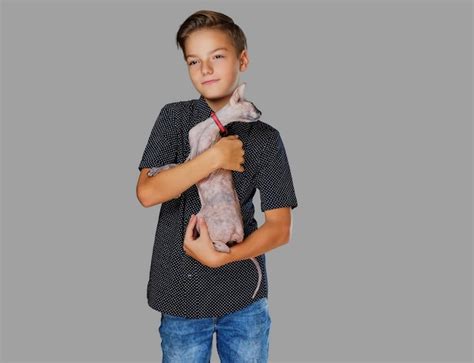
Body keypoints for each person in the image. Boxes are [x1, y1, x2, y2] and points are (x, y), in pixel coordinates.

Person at [136, 9, 298, 363]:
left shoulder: (266, 139)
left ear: (243, 59)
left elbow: (280, 228)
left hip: (244, 297)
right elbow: (148, 193)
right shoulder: (174, 118)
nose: (205, 70)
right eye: (194, 61)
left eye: (217, 57)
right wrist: (212, 159)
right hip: (180, 294)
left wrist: (224, 256)